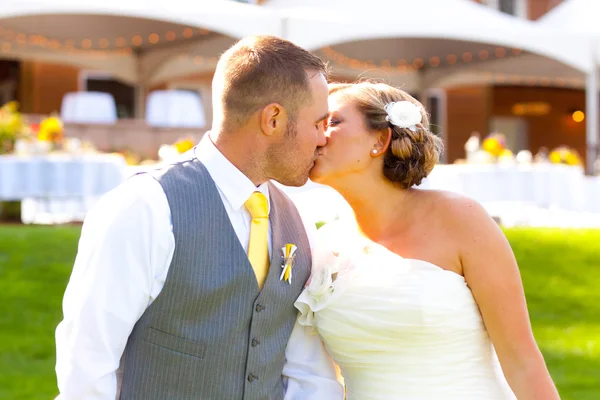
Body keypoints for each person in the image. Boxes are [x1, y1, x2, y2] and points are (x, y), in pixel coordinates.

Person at [54, 35, 343, 399]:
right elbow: (87, 362)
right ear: (272, 119)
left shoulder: (297, 220)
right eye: (318, 123)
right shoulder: (145, 206)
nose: (323, 139)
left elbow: (309, 374)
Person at [298, 81, 560, 399]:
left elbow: (522, 362)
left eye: (333, 122)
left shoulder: (461, 219)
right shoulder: (324, 246)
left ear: (380, 140)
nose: (317, 136)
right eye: (316, 124)